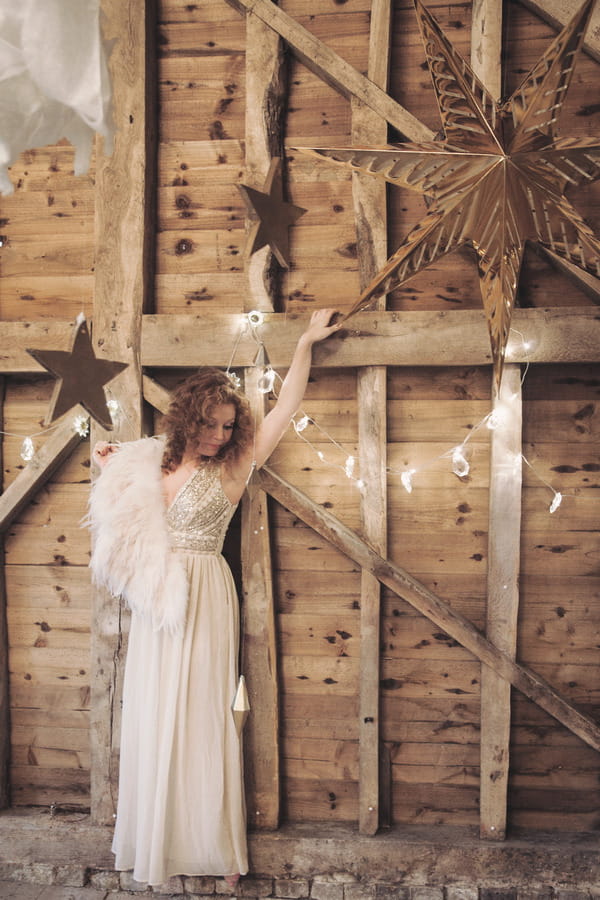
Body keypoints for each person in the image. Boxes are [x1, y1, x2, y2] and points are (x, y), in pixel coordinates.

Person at [87, 308, 340, 888]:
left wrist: (303, 345)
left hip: (207, 594)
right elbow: (112, 485)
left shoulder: (233, 468)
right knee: (154, 710)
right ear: (187, 420)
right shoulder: (152, 458)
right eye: (211, 426)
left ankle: (217, 847)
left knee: (205, 715)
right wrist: (109, 461)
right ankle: (159, 842)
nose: (220, 436)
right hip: (158, 598)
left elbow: (284, 409)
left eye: (228, 426)